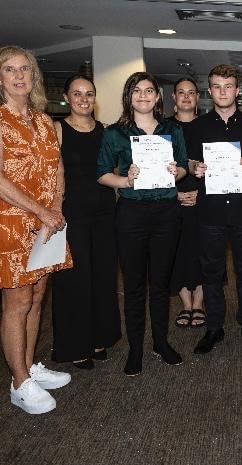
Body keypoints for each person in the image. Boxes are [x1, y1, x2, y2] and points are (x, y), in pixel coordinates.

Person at [97, 71, 188, 376]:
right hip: (132, 214)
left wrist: (174, 171)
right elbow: (102, 172)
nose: (144, 96)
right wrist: (126, 179)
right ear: (129, 96)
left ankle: (160, 343)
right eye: (137, 91)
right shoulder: (114, 133)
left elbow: (183, 169)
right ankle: (135, 349)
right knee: (134, 286)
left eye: (149, 91)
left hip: (166, 213)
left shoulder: (172, 129)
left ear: (157, 96)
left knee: (160, 285)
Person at [0, 45, 72, 414]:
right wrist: (42, 211)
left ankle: (28, 368)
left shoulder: (44, 120)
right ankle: (18, 383)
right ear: (0, 77)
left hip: (48, 223)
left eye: (25, 69)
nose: (19, 76)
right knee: (18, 302)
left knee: (38, 298)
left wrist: (55, 209)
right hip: (12, 224)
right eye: (10, 70)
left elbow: (57, 169)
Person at [187, 64, 242, 354]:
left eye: (228, 86)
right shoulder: (198, 127)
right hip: (211, 212)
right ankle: (214, 327)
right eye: (217, 86)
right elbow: (190, 163)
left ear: (237, 90)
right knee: (212, 273)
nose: (223, 91)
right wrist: (196, 168)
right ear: (210, 91)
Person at [51, 74, 121, 370]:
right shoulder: (58, 128)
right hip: (72, 215)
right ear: (67, 97)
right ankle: (76, 345)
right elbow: (55, 172)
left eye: (89, 94)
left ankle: (98, 337)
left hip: (105, 212)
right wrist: (54, 208)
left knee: (103, 277)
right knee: (73, 280)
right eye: (77, 94)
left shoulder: (105, 130)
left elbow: (113, 170)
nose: (83, 99)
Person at [168, 77, 205, 328]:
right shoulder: (162, 128)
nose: (186, 97)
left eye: (191, 92)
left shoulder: (208, 126)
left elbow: (218, 167)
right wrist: (175, 194)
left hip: (205, 197)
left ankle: (200, 303)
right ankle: (186, 304)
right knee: (177, 251)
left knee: (204, 251)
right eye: (181, 93)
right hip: (172, 199)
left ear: (198, 97)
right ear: (173, 97)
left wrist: (201, 193)